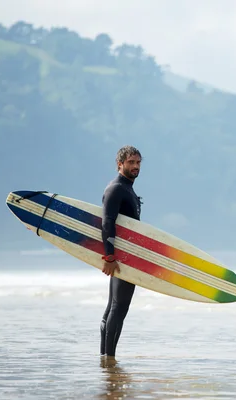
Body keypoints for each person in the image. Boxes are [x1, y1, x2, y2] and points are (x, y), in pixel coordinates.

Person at [99, 145, 143, 362]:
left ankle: (105, 359)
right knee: (118, 308)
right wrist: (109, 257)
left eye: (138, 162)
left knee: (113, 308)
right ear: (120, 164)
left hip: (125, 256)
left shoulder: (127, 189)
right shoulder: (116, 188)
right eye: (131, 162)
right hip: (121, 258)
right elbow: (107, 223)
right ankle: (109, 360)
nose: (135, 166)